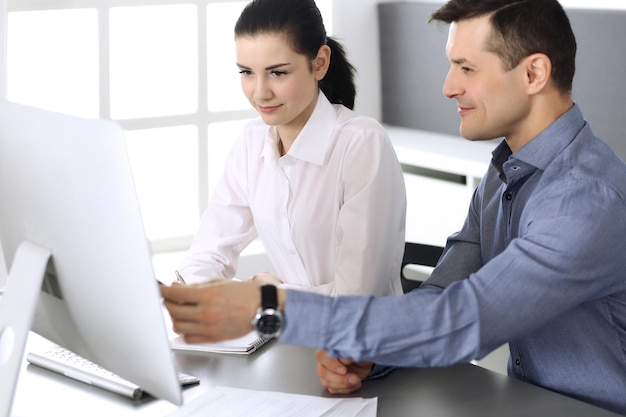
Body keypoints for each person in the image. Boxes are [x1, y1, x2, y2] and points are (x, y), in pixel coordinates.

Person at [160, 0, 626, 414]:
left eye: (466, 68)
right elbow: (440, 295)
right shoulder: (504, 175)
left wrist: (272, 306)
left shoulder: (583, 200)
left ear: (533, 74)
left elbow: (463, 320)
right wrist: (372, 355)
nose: (447, 87)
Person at [177, 0, 406, 296]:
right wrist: (196, 292)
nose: (260, 92)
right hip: (288, 333)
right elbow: (209, 251)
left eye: (278, 73)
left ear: (319, 63)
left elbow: (357, 297)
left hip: (362, 338)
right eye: (246, 72)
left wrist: (273, 296)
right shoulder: (251, 141)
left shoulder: (361, 144)